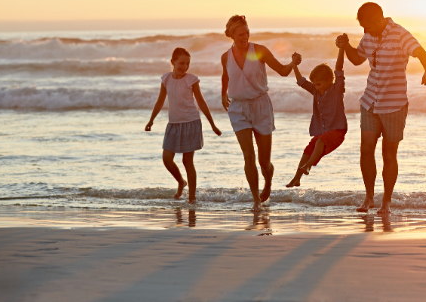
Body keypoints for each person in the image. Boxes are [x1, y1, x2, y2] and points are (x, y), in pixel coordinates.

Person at [336, 2, 426, 215]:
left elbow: (420, 51)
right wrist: (345, 47)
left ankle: (386, 203)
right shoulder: (368, 36)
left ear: (379, 19)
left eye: (367, 26)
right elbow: (356, 59)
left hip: (394, 104)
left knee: (389, 154)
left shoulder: (400, 34)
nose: (365, 31)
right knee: (366, 150)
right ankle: (369, 197)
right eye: (362, 27)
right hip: (370, 101)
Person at [221, 15, 300, 212]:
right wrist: (224, 93)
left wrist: (293, 63)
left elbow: (282, 71)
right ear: (231, 35)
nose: (245, 36)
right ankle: (256, 200)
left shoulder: (259, 51)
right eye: (240, 34)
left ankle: (268, 183)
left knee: (264, 162)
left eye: (247, 32)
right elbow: (226, 74)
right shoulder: (226, 56)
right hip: (238, 108)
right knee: (248, 155)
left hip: (260, 106)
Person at [145, 47, 222, 204]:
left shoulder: (191, 80)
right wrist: (151, 120)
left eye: (188, 63)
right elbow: (160, 101)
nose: (184, 67)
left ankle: (192, 198)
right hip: (173, 124)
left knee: (188, 162)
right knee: (167, 159)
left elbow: (201, 101)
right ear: (172, 62)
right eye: (181, 63)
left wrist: (212, 124)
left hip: (190, 123)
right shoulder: (166, 79)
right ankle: (181, 182)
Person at [285, 47, 348, 188]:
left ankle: (307, 167)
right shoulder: (316, 90)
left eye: (319, 84)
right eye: (314, 84)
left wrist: (341, 49)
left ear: (329, 80)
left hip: (337, 131)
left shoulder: (336, 89)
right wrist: (294, 65)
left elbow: (339, 67)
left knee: (319, 141)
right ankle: (296, 178)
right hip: (324, 133)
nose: (316, 87)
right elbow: (301, 81)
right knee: (308, 149)